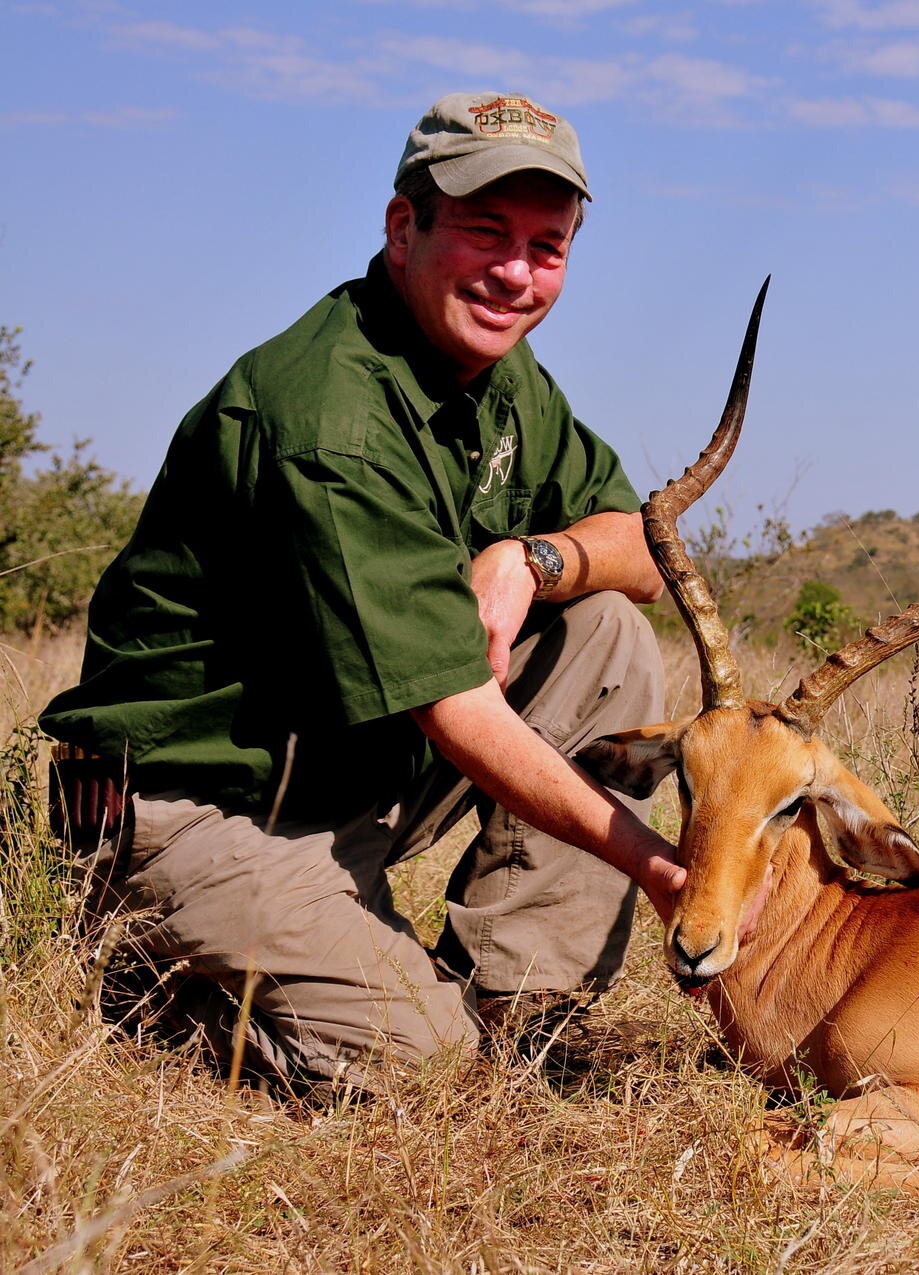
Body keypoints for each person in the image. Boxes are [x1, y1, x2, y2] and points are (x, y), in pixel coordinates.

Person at [41, 92, 684, 1096]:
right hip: (201, 809)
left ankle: (528, 1019)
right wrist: (659, 864)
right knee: (422, 1066)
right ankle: (149, 982)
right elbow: (458, 712)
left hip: (349, 777)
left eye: (546, 247)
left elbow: (648, 551)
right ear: (401, 228)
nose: (517, 274)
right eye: (485, 233)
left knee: (603, 628)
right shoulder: (330, 416)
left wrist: (532, 559)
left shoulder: (500, 376)